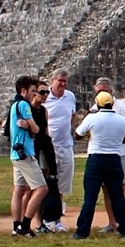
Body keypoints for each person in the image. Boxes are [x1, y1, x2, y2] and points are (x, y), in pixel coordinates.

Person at [72, 91, 125, 238]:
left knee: (90, 197)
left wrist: (91, 134)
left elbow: (77, 134)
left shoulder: (92, 118)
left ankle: (82, 232)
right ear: (112, 104)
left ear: (97, 104)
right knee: (117, 195)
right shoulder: (122, 120)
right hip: (114, 159)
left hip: (96, 159)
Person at [93, 75, 125, 233]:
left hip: (116, 152)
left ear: (110, 91)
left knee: (121, 187)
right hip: (101, 153)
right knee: (106, 188)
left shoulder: (119, 106)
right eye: (99, 92)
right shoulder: (95, 108)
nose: (101, 95)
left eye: (104, 91)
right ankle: (113, 223)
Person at [7, 75, 49, 238]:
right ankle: (25, 225)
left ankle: (16, 226)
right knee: (41, 188)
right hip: (25, 153)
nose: (35, 94)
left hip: (15, 153)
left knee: (19, 189)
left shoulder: (14, 105)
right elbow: (36, 129)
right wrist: (32, 126)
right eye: (33, 91)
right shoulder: (24, 105)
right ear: (23, 91)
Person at [42, 70, 79, 227]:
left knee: (61, 185)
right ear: (53, 80)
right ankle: (44, 218)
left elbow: (73, 115)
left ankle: (56, 219)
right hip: (49, 146)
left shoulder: (70, 96)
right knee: (45, 183)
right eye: (60, 81)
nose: (63, 84)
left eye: (65, 81)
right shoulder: (45, 97)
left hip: (66, 145)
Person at [30, 83, 65, 233]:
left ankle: (40, 221)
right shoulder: (27, 110)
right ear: (34, 93)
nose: (45, 95)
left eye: (46, 93)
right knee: (30, 188)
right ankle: (27, 222)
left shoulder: (44, 110)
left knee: (43, 186)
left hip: (43, 149)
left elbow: (45, 132)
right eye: (42, 92)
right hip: (33, 150)